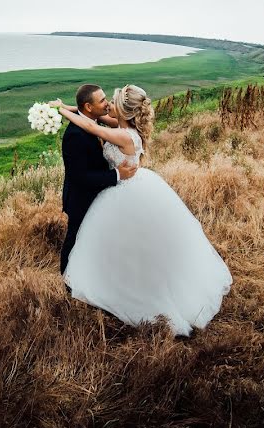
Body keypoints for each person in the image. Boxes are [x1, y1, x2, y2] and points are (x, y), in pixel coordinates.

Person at [50, 85, 232, 336]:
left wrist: (60, 110)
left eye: (111, 102)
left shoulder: (124, 134)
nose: (108, 106)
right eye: (105, 102)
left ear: (122, 111)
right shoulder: (122, 125)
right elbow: (91, 118)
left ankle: (138, 288)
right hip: (126, 186)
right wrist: (67, 109)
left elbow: (92, 126)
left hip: (125, 188)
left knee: (133, 241)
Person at [57, 84, 137, 279]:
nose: (107, 102)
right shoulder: (74, 136)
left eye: (107, 99)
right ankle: (68, 279)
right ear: (89, 107)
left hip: (102, 194)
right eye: (102, 100)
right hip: (81, 198)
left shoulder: (96, 121)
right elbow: (80, 177)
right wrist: (117, 175)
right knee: (75, 238)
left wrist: (64, 108)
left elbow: (92, 125)